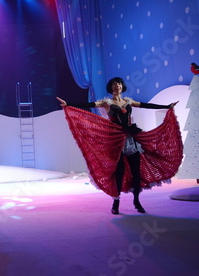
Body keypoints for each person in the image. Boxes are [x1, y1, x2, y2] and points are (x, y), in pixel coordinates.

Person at [57, 77, 183, 214]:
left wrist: (167, 106)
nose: (117, 86)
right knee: (119, 172)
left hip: (131, 138)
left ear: (122, 87)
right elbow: (88, 105)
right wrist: (68, 104)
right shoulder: (106, 102)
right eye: (114, 84)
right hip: (116, 140)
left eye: (119, 84)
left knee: (136, 172)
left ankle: (137, 200)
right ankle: (116, 202)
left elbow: (146, 105)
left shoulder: (128, 101)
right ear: (111, 87)